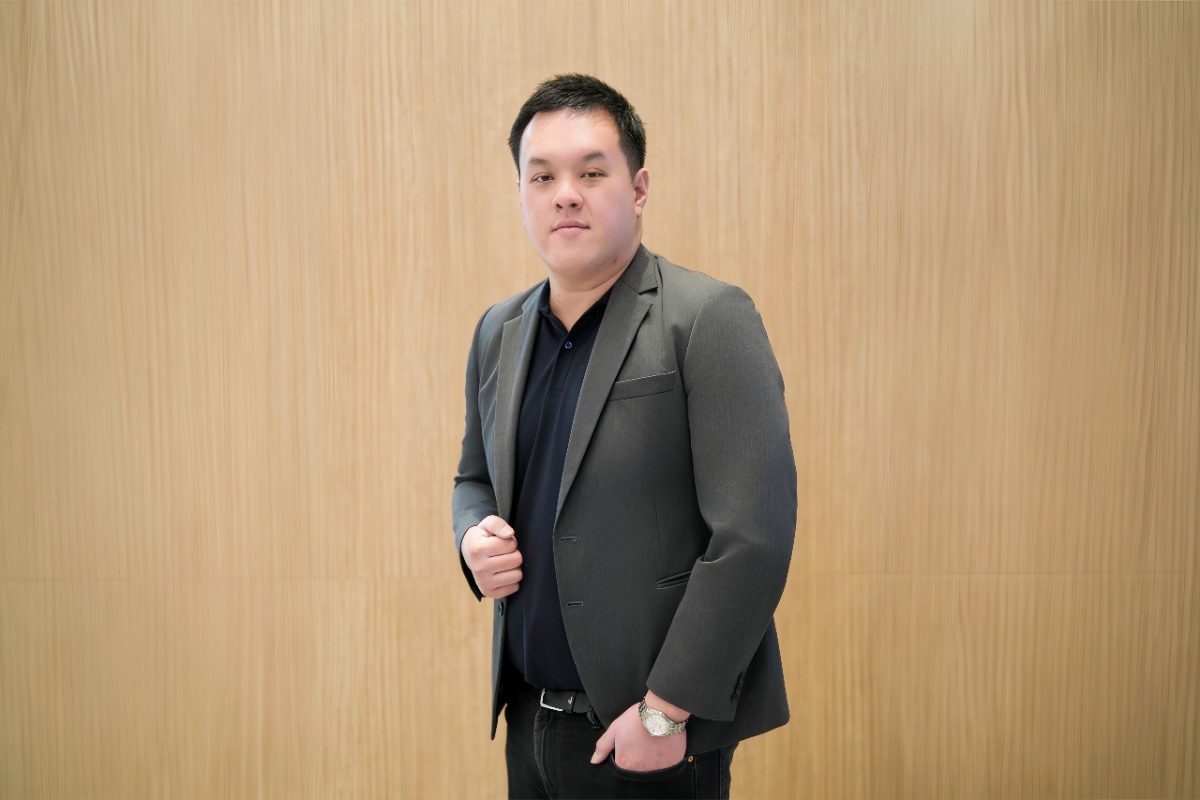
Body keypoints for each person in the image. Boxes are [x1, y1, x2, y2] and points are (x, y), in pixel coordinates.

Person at [452, 74, 796, 799]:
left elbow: (753, 539)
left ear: (638, 189)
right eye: (541, 176)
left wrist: (665, 714)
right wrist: (471, 537)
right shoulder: (497, 331)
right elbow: (473, 479)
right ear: (521, 193)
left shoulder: (708, 318)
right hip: (528, 724)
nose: (564, 195)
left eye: (590, 172)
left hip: (647, 735)